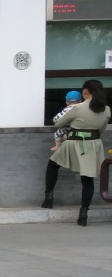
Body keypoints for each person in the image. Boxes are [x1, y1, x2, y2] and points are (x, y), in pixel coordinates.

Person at [42, 79, 110, 227]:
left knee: (53, 165)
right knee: (87, 179)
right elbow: (102, 130)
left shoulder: (77, 108)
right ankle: (84, 213)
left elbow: (58, 123)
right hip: (93, 144)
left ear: (85, 91)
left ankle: (49, 197)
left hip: (73, 142)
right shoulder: (106, 109)